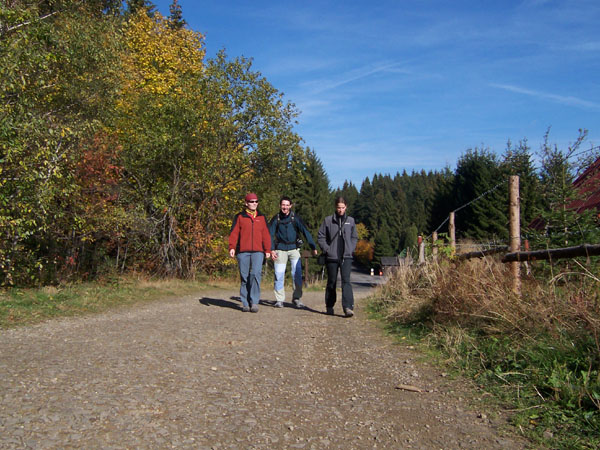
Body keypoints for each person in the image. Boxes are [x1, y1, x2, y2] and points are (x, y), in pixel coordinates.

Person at [269, 196, 318, 308]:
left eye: (287, 205)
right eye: (283, 205)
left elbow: (305, 232)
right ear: (280, 206)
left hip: (294, 249)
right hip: (280, 249)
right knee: (279, 274)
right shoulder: (275, 219)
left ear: (290, 206)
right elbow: (270, 235)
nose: (285, 207)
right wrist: (271, 249)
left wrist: (313, 246)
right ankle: (279, 300)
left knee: (296, 274)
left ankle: (296, 298)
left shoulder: (295, 218)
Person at [228, 193, 271, 313]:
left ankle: (254, 302)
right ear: (246, 203)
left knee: (256, 274)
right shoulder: (240, 217)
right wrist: (232, 247)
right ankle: (245, 303)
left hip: (258, 251)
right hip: (243, 251)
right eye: (251, 202)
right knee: (244, 276)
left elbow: (266, 235)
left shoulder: (262, 217)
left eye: (256, 201)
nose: (254, 204)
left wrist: (268, 249)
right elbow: (234, 233)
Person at [317, 196, 358, 317]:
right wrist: (327, 249)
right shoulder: (328, 220)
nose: (340, 210)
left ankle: (348, 307)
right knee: (332, 282)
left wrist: (351, 248)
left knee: (346, 281)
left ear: (346, 207)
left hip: (346, 256)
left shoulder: (351, 221)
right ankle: (329, 306)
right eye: (338, 207)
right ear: (335, 207)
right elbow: (321, 236)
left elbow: (354, 237)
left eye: (343, 207)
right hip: (332, 256)